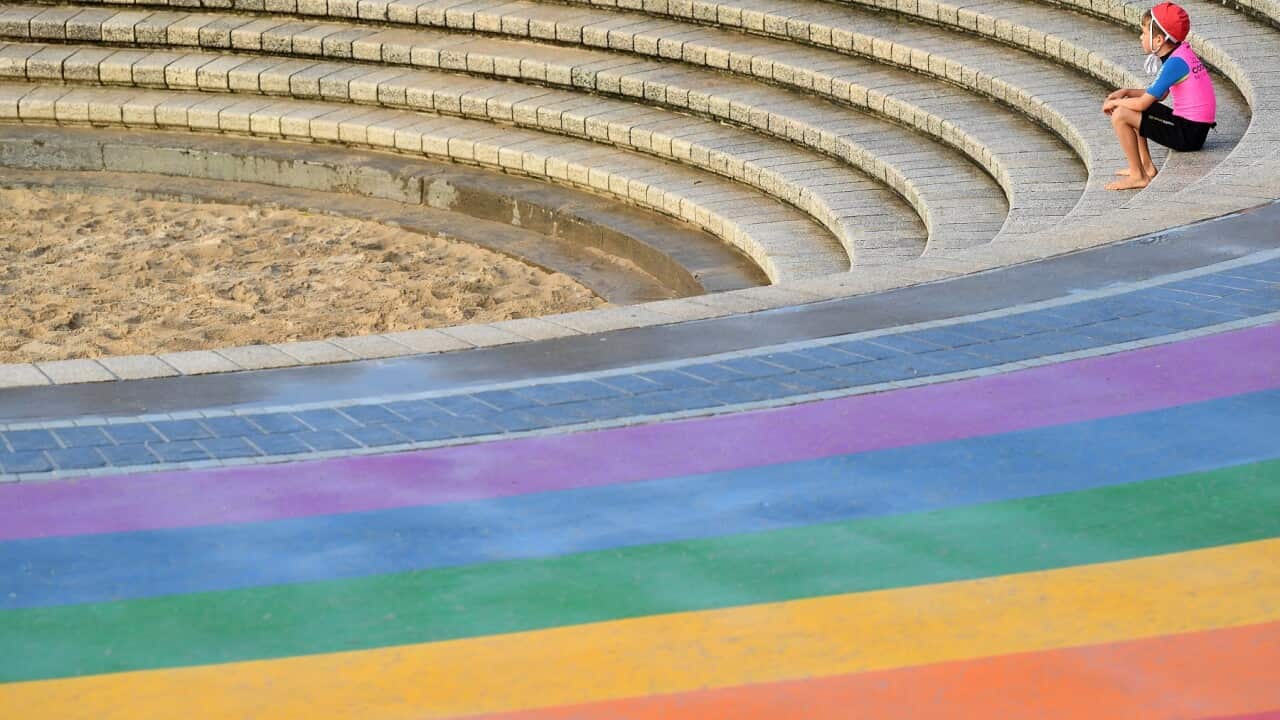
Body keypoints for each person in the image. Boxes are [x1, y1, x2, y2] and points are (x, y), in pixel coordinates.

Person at [1102, 2, 1217, 191]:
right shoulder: (1180, 54)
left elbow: (1142, 104)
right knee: (1130, 106)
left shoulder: (1175, 63)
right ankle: (1145, 166)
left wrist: (1114, 102)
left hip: (1188, 134)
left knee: (1120, 115)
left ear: (1159, 40)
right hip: (1192, 129)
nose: (1140, 37)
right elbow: (1160, 94)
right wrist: (1127, 92)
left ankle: (1138, 176)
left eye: (1144, 33)